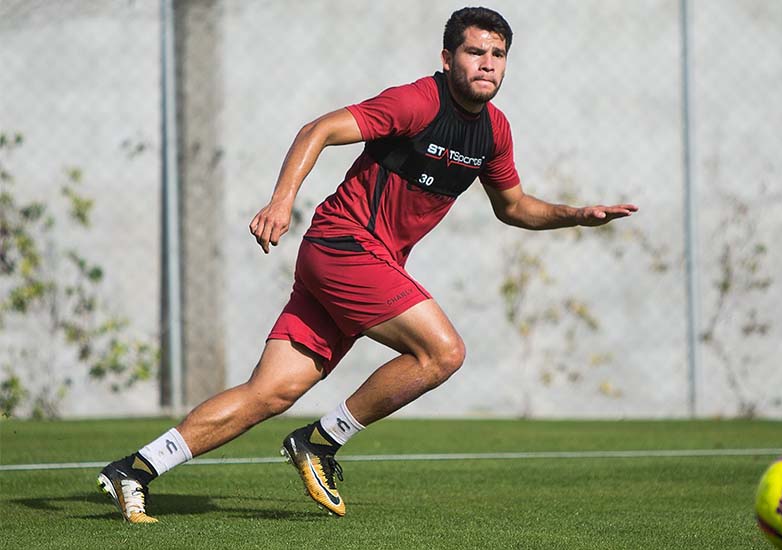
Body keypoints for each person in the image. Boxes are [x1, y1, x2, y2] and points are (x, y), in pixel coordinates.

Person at [96, 6, 637, 523]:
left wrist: (576, 215)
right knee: (443, 352)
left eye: (497, 54)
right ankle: (320, 441)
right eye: (475, 52)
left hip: (354, 261)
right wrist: (282, 201)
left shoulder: (494, 131)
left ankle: (135, 470)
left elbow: (513, 207)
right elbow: (318, 130)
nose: (487, 64)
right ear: (447, 58)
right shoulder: (415, 102)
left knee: (271, 392)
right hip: (344, 247)